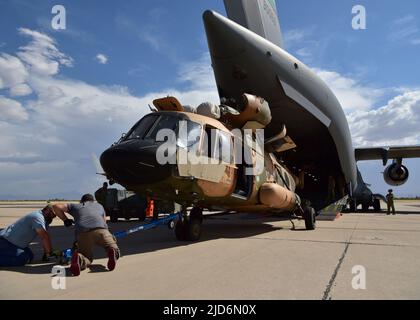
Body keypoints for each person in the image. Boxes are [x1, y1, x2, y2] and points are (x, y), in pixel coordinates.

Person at [53, 194, 120, 276]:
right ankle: (111, 252)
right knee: (114, 249)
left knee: (87, 257)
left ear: (81, 201)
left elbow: (56, 206)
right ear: (93, 201)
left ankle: (80, 259)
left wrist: (65, 220)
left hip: (83, 233)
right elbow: (104, 222)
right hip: (102, 231)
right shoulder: (99, 206)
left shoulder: (75, 206)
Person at [0, 204, 73, 267]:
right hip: (6, 241)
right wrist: (50, 253)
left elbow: (44, 238)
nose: (53, 217)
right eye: (53, 215)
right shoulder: (37, 217)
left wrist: (46, 254)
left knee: (30, 256)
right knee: (22, 259)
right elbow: (44, 236)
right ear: (47, 211)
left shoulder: (45, 221)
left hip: (17, 244)